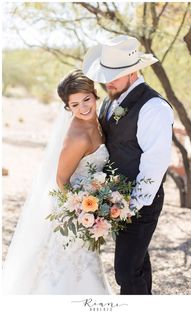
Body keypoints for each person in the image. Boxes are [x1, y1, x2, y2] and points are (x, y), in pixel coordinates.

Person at [3, 69, 112, 295]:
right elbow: (61, 179)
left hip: (90, 204)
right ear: (67, 107)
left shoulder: (98, 121)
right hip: (74, 211)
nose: (83, 108)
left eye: (86, 99)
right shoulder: (78, 136)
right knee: (71, 269)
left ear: (94, 94)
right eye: (74, 105)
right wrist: (81, 214)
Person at [82, 35, 174, 295]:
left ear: (133, 72)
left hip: (139, 201)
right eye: (107, 74)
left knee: (125, 270)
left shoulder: (153, 107)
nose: (108, 81)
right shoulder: (113, 98)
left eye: (116, 74)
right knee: (136, 264)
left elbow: (155, 162)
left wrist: (131, 205)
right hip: (116, 199)